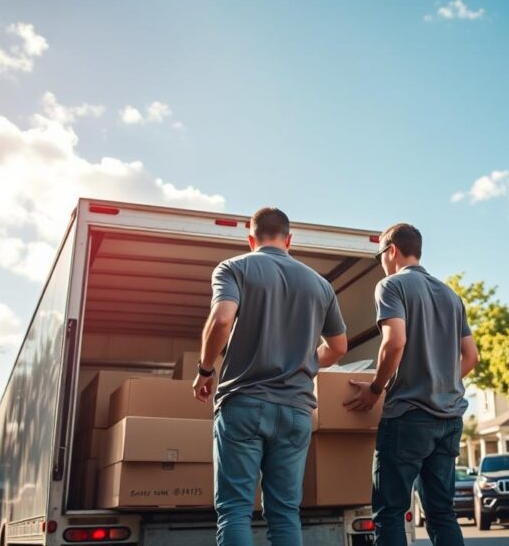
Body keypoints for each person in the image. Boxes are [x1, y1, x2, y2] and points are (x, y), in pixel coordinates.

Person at [193, 207, 348, 546]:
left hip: (244, 404)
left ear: (251, 239)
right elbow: (338, 347)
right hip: (296, 411)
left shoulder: (234, 268)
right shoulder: (320, 285)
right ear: (289, 239)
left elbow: (221, 321)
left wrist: (206, 370)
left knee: (235, 510)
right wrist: (305, 362)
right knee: (285, 512)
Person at [343, 223, 479, 546]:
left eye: (380, 256)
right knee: (443, 513)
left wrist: (376, 389)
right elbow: (471, 356)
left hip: (407, 417)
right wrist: (441, 382)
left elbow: (395, 341)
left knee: (390, 512)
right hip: (448, 420)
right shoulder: (450, 295)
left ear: (391, 251)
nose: (381, 264)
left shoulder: (391, 286)